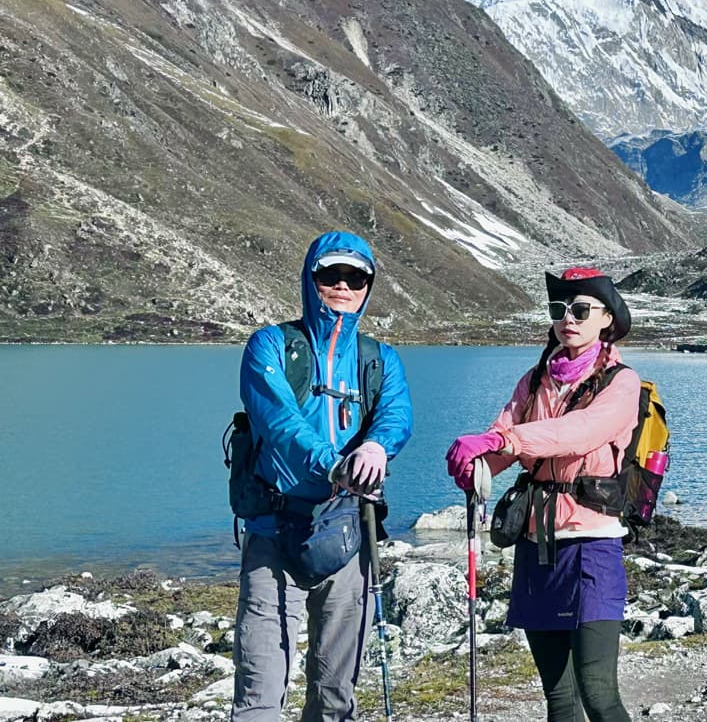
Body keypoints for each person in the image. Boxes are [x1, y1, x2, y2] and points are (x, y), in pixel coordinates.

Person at [232, 232, 414, 722]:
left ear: (368, 286)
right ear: (310, 279)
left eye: (355, 277)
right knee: (260, 687)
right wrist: (331, 463)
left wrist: (377, 444)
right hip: (274, 530)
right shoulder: (270, 345)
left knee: (335, 693)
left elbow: (397, 415)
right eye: (329, 274)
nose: (342, 285)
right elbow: (277, 420)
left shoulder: (380, 359)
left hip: (349, 534)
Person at [446, 267, 639, 722]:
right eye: (559, 310)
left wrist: (503, 443)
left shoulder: (621, 383)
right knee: (559, 698)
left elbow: (578, 432)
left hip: (591, 545)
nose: (567, 319)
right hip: (536, 548)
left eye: (579, 309)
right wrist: (473, 466)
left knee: (597, 693)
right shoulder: (535, 381)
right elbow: (502, 435)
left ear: (606, 319)